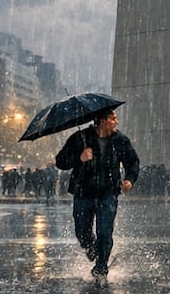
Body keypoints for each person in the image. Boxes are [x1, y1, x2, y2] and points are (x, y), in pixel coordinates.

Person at [54, 108, 139, 283]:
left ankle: (101, 267)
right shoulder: (80, 138)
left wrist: (129, 179)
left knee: (105, 231)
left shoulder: (120, 140)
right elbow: (60, 161)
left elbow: (133, 162)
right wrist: (79, 158)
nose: (116, 122)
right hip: (83, 193)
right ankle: (92, 249)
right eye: (113, 119)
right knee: (82, 233)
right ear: (101, 121)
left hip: (108, 193)